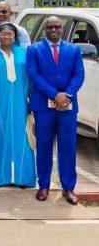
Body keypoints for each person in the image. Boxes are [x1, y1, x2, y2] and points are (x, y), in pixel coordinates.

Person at [26, 16, 85, 205]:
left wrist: (66, 95)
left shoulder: (74, 50)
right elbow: (34, 75)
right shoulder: (34, 50)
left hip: (67, 106)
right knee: (43, 146)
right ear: (44, 29)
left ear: (62, 29)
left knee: (67, 147)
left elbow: (79, 74)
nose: (53, 29)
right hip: (44, 106)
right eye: (49, 27)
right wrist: (54, 95)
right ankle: (44, 185)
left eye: (57, 26)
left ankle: (69, 188)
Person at [0, 23, 36, 188]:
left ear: (15, 36)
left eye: (10, 34)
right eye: (3, 34)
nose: (6, 37)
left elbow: (32, 78)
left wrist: (32, 101)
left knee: (23, 138)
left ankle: (23, 178)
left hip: (21, 102)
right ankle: (0, 177)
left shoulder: (25, 54)